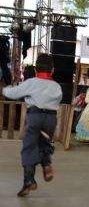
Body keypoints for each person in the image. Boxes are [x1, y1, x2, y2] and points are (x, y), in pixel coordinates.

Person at [1, 54, 62, 197]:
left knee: (29, 147)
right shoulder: (57, 87)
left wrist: (5, 89)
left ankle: (29, 180)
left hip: (35, 116)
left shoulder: (31, 82)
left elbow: (12, 93)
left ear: (35, 70)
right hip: (51, 119)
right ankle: (46, 165)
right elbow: (58, 98)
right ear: (52, 70)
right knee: (44, 144)